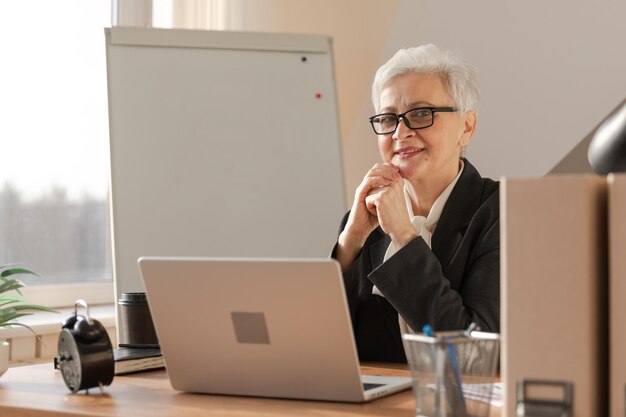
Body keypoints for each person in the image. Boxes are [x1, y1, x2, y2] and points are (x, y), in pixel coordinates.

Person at [332, 44, 499, 363]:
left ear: (467, 126)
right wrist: (350, 242)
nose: (400, 132)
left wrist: (405, 238)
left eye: (421, 114)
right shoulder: (361, 223)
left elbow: (473, 356)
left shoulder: (502, 214)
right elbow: (320, 346)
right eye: (387, 118)